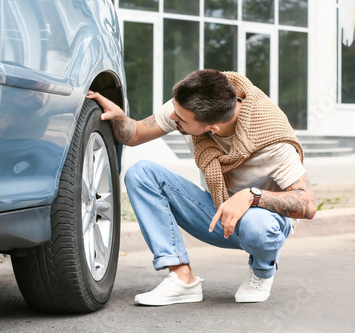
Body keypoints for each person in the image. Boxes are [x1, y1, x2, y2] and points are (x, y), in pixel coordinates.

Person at [86, 69, 316, 305]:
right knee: (141, 173)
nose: (173, 119)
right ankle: (182, 278)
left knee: (256, 224)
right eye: (175, 112)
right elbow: (135, 133)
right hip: (216, 212)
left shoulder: (273, 140)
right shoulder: (188, 106)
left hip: (262, 222)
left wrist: (251, 197)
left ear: (212, 128)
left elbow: (307, 204)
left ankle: (262, 271)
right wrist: (117, 116)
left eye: (181, 120)